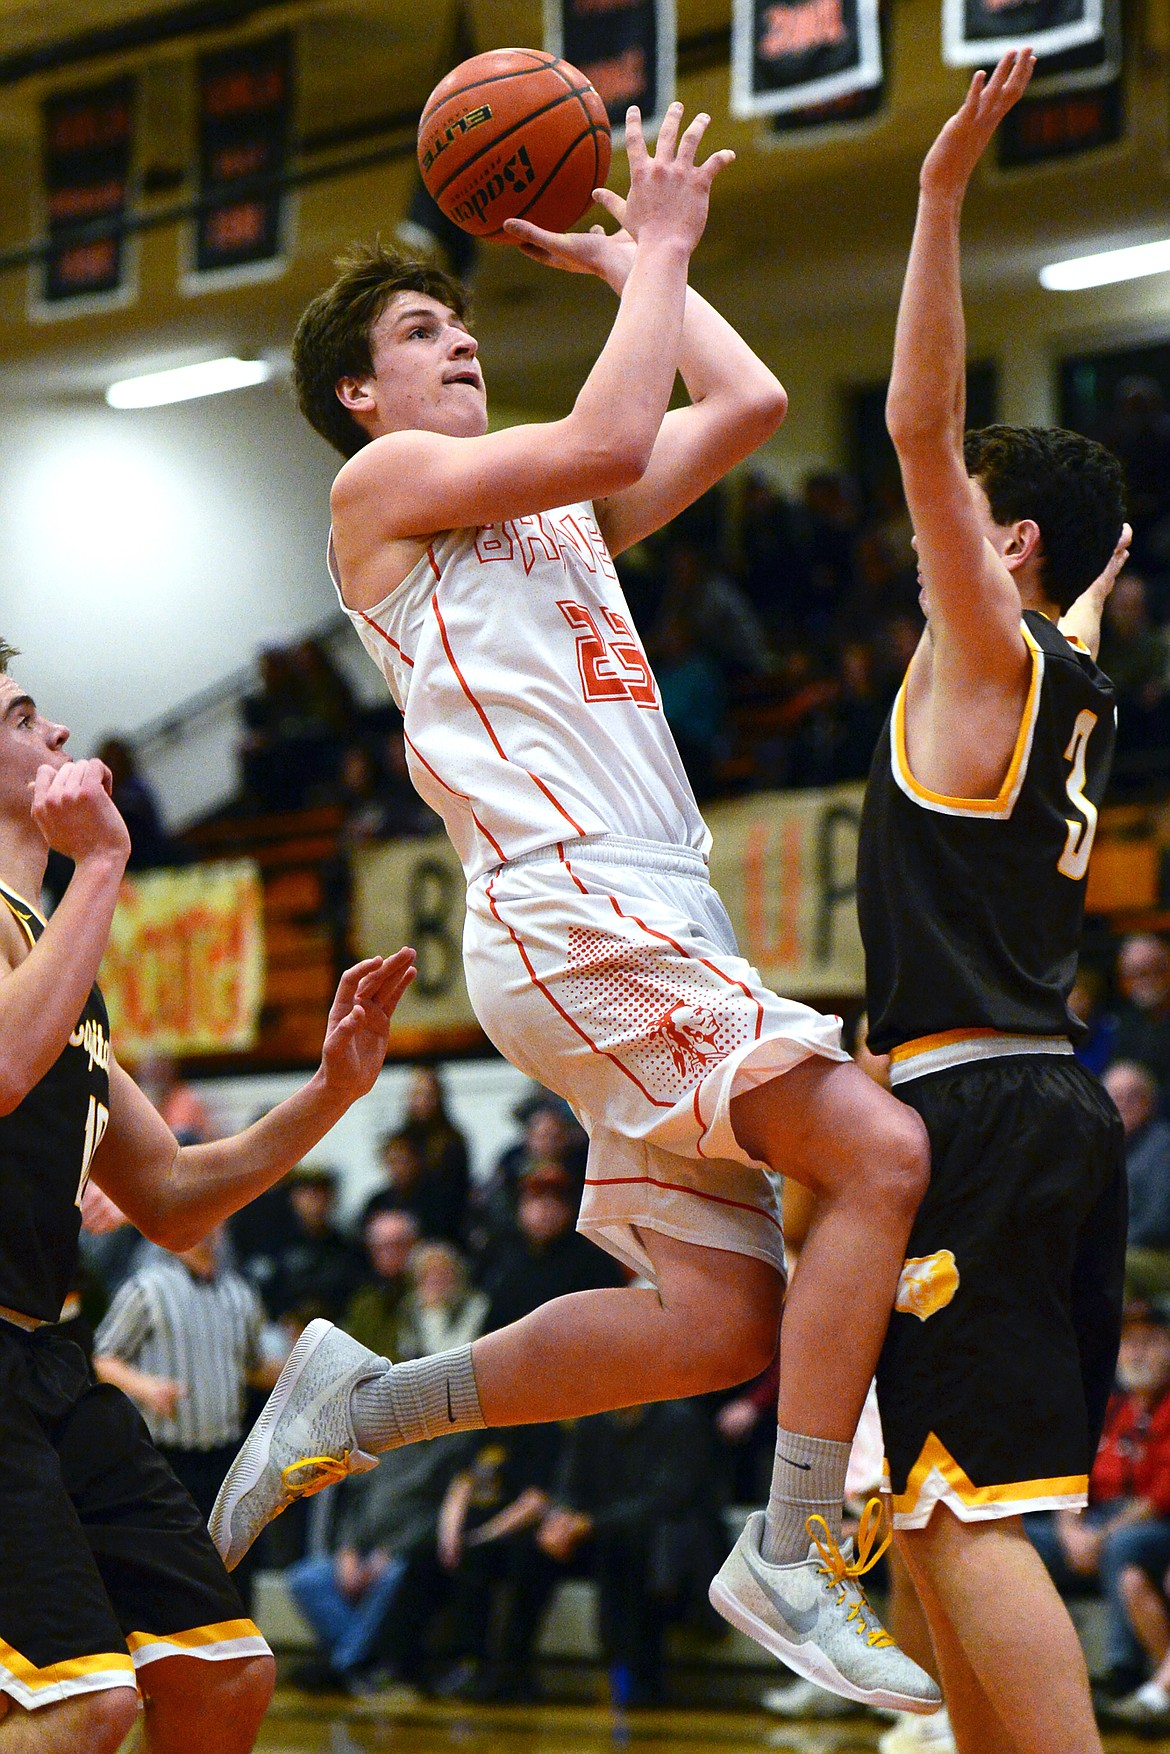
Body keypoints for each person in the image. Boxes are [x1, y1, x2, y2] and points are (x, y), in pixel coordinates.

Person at [210, 102, 937, 1710]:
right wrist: (659, 250)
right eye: (421, 328)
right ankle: (796, 1547)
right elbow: (613, 436)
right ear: (359, 391)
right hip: (565, 902)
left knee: (714, 1322)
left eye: (462, 322)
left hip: (651, 910)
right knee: (880, 1149)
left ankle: (363, 1398)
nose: (457, 340)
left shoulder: (545, 514)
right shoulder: (390, 488)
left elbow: (739, 400)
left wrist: (636, 270)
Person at [854, 51, 1132, 1754]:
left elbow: (913, 424)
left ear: (1010, 546)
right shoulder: (1082, 675)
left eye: (972, 524)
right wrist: (1097, 563)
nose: (931, 529)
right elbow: (1097, 585)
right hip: (1041, 1100)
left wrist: (943, 196)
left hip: (977, 1102)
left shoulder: (990, 653)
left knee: (961, 1511)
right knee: (935, 1507)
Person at [0, 637, 416, 1750]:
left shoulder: (52, 959)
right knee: (82, 1701)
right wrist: (99, 864)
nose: (57, 734)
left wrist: (333, 1090)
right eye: (23, 715)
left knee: (222, 1674)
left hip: (45, 1359)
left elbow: (174, 1196)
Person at [1026, 1301, 1170, 1708]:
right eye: (1128, 1343)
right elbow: (1069, 1471)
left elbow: (1157, 1497)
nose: (1136, 1352)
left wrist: (1100, 1536)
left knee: (1125, 1548)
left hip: (1148, 1522)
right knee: (1014, 1539)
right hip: (1088, 1518)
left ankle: (1122, 1672)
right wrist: (1069, 1529)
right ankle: (1031, 1673)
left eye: (1149, 1342)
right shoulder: (1109, 1405)